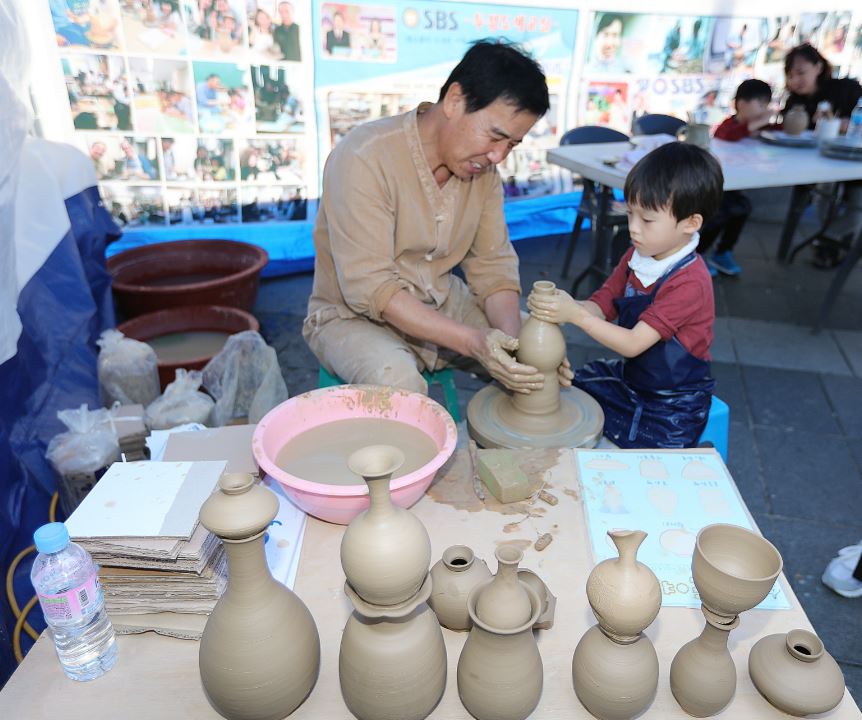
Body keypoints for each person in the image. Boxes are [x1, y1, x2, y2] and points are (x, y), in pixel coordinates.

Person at [303, 41, 565, 396]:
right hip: (351, 317)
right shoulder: (364, 157)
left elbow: (492, 266)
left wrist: (514, 348)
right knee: (399, 382)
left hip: (441, 302)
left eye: (512, 145)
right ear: (455, 101)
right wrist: (473, 342)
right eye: (496, 136)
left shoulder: (484, 173)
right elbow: (372, 288)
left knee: (540, 349)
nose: (498, 156)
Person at [527, 142, 722, 449]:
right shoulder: (636, 256)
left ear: (690, 223)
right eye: (630, 213)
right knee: (575, 386)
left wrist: (575, 316)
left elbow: (632, 344)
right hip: (635, 378)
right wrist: (561, 307)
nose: (633, 228)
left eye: (647, 220)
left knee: (641, 455)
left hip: (674, 399)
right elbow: (602, 306)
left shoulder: (690, 282)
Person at [783, 43, 862, 268]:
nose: (796, 80)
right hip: (821, 165)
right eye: (791, 75)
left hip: (856, 162)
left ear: (818, 67)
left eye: (801, 72)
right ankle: (829, 243)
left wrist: (844, 124)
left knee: (857, 208)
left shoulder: (846, 89)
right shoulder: (794, 102)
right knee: (822, 197)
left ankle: (826, 239)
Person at [698, 79, 774, 277]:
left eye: (766, 105)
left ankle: (723, 252)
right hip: (716, 185)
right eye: (760, 104)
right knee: (720, 213)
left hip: (735, 184)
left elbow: (779, 133)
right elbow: (726, 135)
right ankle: (698, 254)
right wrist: (755, 125)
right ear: (741, 104)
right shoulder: (728, 125)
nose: (763, 110)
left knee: (742, 208)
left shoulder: (762, 128)